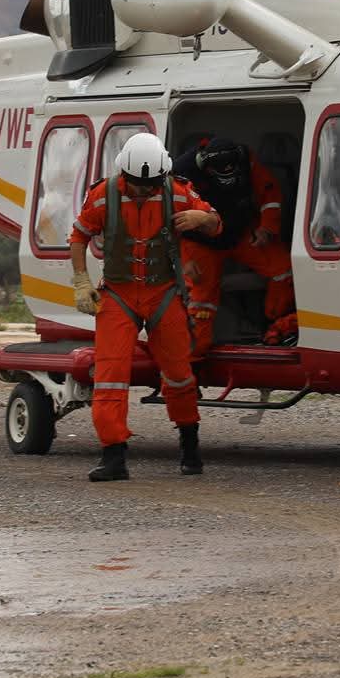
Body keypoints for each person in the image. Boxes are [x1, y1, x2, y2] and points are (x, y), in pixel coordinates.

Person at [69, 132, 221, 481]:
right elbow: (79, 236)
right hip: (119, 295)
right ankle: (114, 456)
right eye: (138, 184)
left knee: (179, 374)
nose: (144, 190)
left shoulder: (179, 192)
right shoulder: (102, 195)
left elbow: (216, 222)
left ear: (162, 176)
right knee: (109, 377)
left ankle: (189, 443)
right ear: (125, 174)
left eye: (151, 184)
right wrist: (81, 281)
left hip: (163, 293)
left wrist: (202, 220)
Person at [173, 136, 296, 352]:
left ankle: (273, 326)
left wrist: (267, 228)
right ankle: (194, 362)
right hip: (200, 243)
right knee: (201, 303)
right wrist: (182, 260)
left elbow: (269, 193)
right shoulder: (182, 172)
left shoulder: (246, 159)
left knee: (283, 270)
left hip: (241, 233)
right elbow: (166, 220)